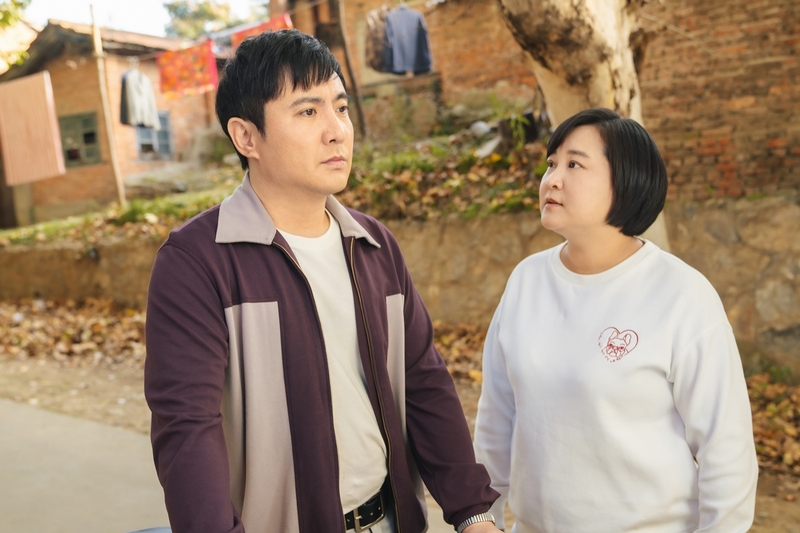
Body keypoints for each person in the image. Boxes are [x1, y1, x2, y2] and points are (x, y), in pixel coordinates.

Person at [144, 29, 502, 533]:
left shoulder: (373, 244)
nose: (337, 131)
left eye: (341, 107)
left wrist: (474, 513)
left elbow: (423, 382)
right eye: (308, 112)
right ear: (246, 137)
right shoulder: (198, 262)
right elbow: (187, 431)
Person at [473, 108, 758, 533]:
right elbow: (496, 418)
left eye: (574, 164)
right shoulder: (526, 281)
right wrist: (483, 516)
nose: (552, 179)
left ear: (626, 181)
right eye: (551, 163)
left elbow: (726, 450)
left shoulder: (682, 295)